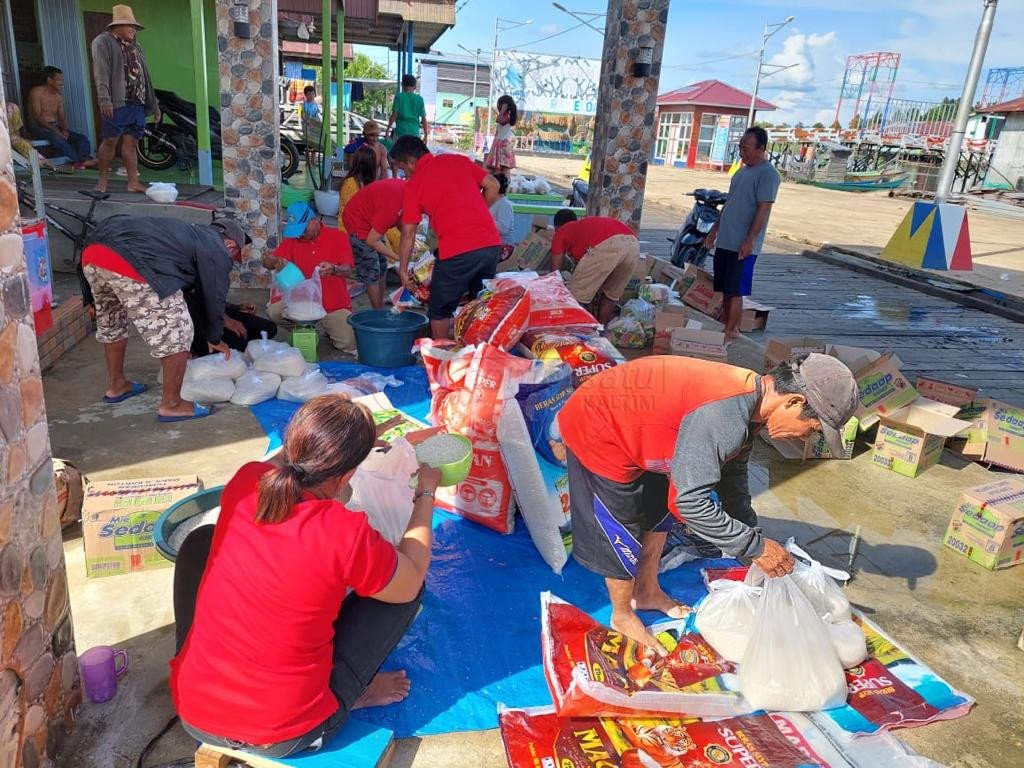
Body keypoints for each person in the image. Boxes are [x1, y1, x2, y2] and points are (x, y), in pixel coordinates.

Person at [170, 396, 441, 758]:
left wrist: (340, 445)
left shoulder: (247, 482)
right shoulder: (343, 530)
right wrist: (426, 492)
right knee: (404, 585)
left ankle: (206, 668)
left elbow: (286, 461)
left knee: (200, 542)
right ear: (347, 473)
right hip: (289, 734)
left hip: (194, 712)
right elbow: (410, 576)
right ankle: (349, 695)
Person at [557, 354, 859, 651]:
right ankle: (622, 614)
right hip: (599, 424)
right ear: (794, 401)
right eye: (813, 428)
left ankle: (647, 590)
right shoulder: (723, 414)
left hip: (648, 427)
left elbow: (733, 480)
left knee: (661, 507)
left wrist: (752, 538)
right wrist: (754, 547)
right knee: (621, 525)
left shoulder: (752, 406)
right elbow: (690, 505)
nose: (806, 437)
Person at [81, 215, 249, 422]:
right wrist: (214, 336)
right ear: (230, 245)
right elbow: (213, 295)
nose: (230, 260)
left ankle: (118, 385)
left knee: (113, 323)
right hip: (134, 261)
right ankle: (173, 404)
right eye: (233, 256)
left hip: (93, 254)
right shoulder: (215, 247)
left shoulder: (180, 233)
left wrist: (89, 297)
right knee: (177, 328)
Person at [390, 135, 501, 339]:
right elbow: (493, 185)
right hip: (491, 245)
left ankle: (441, 358)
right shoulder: (456, 160)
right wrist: (474, 215)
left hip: (457, 252)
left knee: (440, 309)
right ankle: (476, 353)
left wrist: (403, 270)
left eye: (404, 169)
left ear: (412, 163)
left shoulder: (414, 185)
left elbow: (408, 234)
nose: (405, 175)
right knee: (479, 303)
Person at [703, 126, 780, 342]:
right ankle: (727, 325)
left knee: (736, 289)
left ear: (761, 148)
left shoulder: (768, 174)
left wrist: (750, 239)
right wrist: (714, 231)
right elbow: (729, 204)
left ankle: (732, 330)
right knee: (725, 288)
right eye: (740, 148)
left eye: (746, 148)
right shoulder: (741, 172)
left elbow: (764, 208)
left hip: (742, 244)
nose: (741, 152)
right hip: (726, 239)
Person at [264, 202, 356, 352]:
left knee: (348, 343)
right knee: (273, 312)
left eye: (303, 230)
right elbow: (267, 262)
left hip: (332, 304)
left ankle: (326, 329)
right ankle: (305, 330)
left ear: (314, 221)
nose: (300, 234)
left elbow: (348, 270)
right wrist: (274, 261)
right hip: (301, 301)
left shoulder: (337, 237)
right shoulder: (294, 240)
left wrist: (334, 269)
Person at [90, 4, 159, 193]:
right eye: (130, 25)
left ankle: (132, 182)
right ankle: (102, 181)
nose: (133, 29)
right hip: (116, 102)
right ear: (117, 25)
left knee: (132, 143)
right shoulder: (102, 42)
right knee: (110, 141)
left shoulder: (137, 47)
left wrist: (154, 105)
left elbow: (146, 76)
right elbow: (101, 72)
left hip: (137, 102)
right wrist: (104, 99)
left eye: (135, 26)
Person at [549, 209, 640, 325]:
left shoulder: (561, 232)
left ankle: (577, 333)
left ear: (557, 227)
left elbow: (554, 272)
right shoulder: (584, 227)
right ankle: (601, 333)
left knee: (575, 296)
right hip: (633, 244)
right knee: (611, 295)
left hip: (609, 243)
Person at [342, 178, 406, 310]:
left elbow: (404, 224)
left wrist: (409, 243)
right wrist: (398, 257)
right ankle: (378, 314)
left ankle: (379, 305)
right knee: (371, 268)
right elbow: (371, 241)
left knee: (382, 265)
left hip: (371, 220)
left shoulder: (408, 192)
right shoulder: (393, 206)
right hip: (357, 222)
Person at [26, 66, 95, 169]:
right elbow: (37, 117)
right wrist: (57, 131)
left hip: (54, 126)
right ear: (49, 80)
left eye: (62, 80)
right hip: (37, 126)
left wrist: (64, 130)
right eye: (59, 80)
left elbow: (61, 117)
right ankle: (82, 161)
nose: (62, 83)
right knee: (56, 137)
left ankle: (83, 160)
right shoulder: (36, 92)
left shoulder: (58, 97)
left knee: (82, 138)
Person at [185, 295, 277, 359]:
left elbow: (212, 294)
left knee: (269, 328)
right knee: (244, 347)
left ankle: (240, 340)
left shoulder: (216, 270)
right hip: (199, 324)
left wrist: (236, 307)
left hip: (221, 312)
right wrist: (226, 320)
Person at [5, 103, 57, 170]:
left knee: (12, 107)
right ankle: (40, 160)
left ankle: (39, 160)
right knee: (14, 139)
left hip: (10, 136)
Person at [338, 146, 378, 228]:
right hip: (350, 229)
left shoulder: (367, 183)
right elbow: (352, 212)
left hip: (360, 227)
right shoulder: (351, 183)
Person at [386, 74, 428, 142]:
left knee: (398, 152)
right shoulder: (419, 99)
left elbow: (394, 115)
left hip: (400, 133)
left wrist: (388, 129)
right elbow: (423, 119)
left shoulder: (399, 97)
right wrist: (426, 135)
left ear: (402, 84)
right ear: (415, 87)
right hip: (414, 134)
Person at [485, 95, 517, 175]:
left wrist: (502, 110)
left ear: (504, 105)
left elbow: (499, 120)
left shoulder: (507, 115)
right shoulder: (506, 114)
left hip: (503, 145)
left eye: (499, 104)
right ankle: (502, 184)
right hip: (500, 144)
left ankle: (503, 185)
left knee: (502, 169)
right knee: (499, 169)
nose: (498, 106)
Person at [489, 173, 515, 259]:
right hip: (493, 244)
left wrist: (485, 219)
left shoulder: (504, 204)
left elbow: (503, 229)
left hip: (504, 247)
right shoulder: (492, 202)